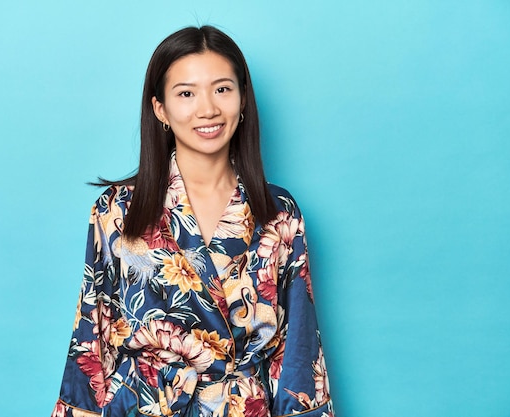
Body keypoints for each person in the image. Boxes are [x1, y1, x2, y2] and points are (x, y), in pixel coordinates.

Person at [51, 25, 334, 417]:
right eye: (186, 93)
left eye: (222, 89)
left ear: (243, 99)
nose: (208, 109)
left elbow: (299, 349)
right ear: (160, 109)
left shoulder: (279, 212)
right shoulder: (118, 210)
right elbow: (92, 337)